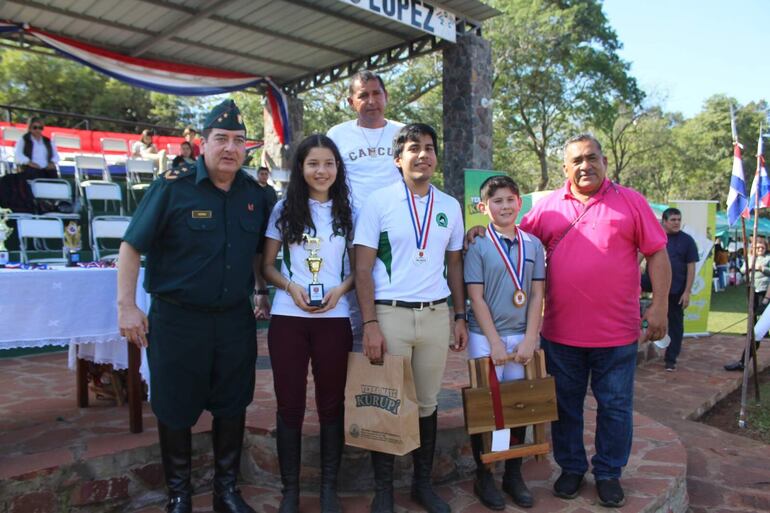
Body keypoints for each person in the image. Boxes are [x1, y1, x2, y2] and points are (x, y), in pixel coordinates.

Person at [117, 100, 271, 513]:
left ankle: (226, 492)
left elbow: (258, 252)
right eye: (221, 139)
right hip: (178, 320)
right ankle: (179, 495)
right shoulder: (172, 187)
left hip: (234, 320)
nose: (230, 148)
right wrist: (126, 306)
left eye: (238, 140)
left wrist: (261, 290)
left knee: (233, 403)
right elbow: (131, 246)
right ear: (203, 143)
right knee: (174, 406)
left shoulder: (255, 195)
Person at [516, 134, 670, 507]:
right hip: (560, 333)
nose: (585, 166)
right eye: (577, 161)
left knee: (615, 407)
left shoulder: (631, 202)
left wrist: (660, 305)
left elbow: (657, 253)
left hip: (617, 334)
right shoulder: (548, 207)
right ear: (565, 168)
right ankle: (571, 468)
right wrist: (481, 231)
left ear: (604, 161)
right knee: (565, 406)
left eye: (592, 158)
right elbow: (515, 242)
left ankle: (608, 473)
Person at [354, 123, 468, 513]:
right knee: (386, 401)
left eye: (430, 148)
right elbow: (363, 268)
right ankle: (383, 490)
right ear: (398, 159)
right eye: (414, 148)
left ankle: (422, 485)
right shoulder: (379, 202)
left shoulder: (449, 206)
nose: (423, 155)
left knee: (427, 403)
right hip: (390, 315)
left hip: (435, 315)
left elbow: (455, 264)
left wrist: (459, 315)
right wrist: (370, 323)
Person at [261, 134, 354, 513]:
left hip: (334, 318)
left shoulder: (350, 211)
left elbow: (360, 268)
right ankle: (291, 491)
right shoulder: (284, 209)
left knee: (332, 404)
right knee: (290, 405)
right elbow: (267, 265)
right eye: (313, 163)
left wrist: (340, 290)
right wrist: (290, 286)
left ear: (338, 168)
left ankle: (329, 489)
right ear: (301, 168)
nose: (321, 171)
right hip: (288, 318)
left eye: (328, 163)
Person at [464, 175, 545, 510]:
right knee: (488, 405)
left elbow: (537, 293)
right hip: (486, 338)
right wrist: (495, 343)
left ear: (519, 203)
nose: (505, 206)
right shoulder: (478, 244)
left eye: (510, 199)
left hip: (521, 337)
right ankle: (485, 473)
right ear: (485, 207)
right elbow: (476, 297)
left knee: (517, 404)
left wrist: (530, 338)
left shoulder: (533, 244)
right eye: (497, 201)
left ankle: (512, 472)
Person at [328, 70, 405, 351]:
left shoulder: (403, 132)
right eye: (363, 95)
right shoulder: (337, 134)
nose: (371, 101)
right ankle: (358, 363)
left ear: (386, 96)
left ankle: (396, 359)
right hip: (354, 234)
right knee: (355, 307)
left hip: (396, 234)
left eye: (376, 93)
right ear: (351, 102)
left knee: (395, 301)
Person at [659, 208, 699, 371]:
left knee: (675, 326)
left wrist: (687, 291)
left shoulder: (687, 241)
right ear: (664, 221)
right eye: (673, 220)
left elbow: (691, 267)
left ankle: (671, 358)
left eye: (678, 220)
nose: (676, 223)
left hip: (676, 290)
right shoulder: (656, 237)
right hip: (655, 287)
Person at [724, 236, 770, 371]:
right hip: (758, 294)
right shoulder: (751, 257)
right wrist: (766, 300)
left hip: (763, 292)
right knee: (756, 332)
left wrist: (766, 299)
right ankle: (743, 362)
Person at [0, 117, 60, 212]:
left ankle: (52, 204)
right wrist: (29, 162)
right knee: (32, 175)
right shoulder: (24, 140)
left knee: (53, 174)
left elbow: (56, 156)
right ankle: (34, 204)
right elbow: (18, 155)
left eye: (40, 128)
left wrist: (52, 162)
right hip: (31, 168)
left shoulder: (48, 141)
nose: (37, 130)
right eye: (35, 127)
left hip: (46, 169)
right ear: (30, 128)